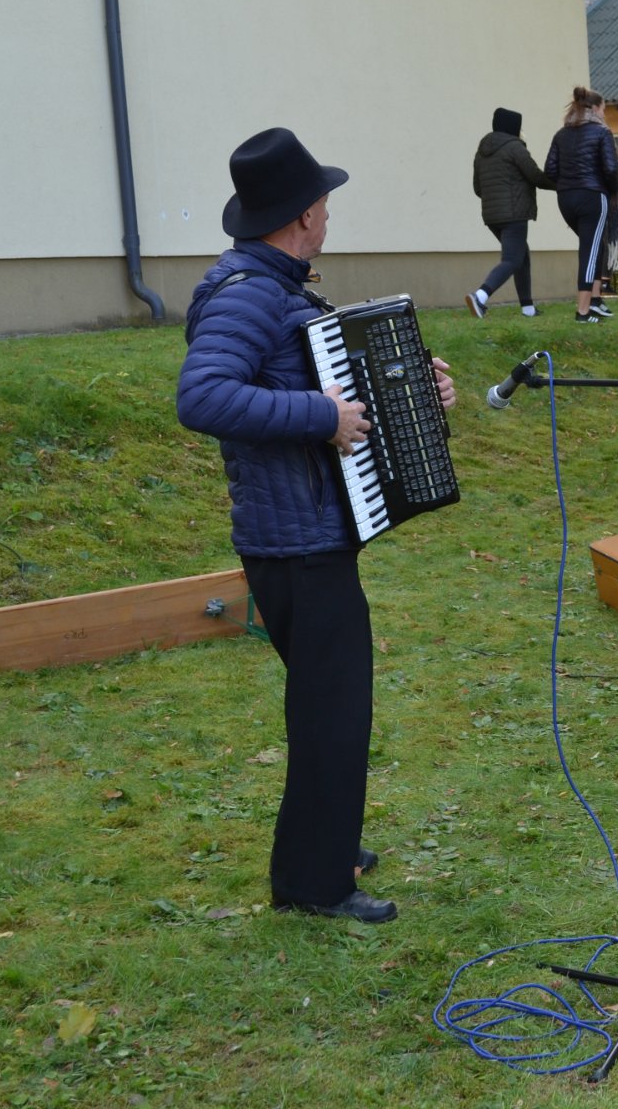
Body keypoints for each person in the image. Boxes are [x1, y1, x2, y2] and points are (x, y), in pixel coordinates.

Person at [177, 128, 457, 924]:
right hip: (294, 544)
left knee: (326, 705)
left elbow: (328, 383)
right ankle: (313, 883)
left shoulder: (279, 289)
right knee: (333, 712)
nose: (328, 217)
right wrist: (320, 416)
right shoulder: (248, 296)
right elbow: (202, 396)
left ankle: (326, 842)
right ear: (303, 216)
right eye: (324, 206)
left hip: (304, 535)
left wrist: (421, 393)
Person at [466, 107, 553, 319]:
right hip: (514, 213)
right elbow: (535, 176)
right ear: (513, 127)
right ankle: (480, 296)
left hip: (492, 216)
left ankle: (528, 308)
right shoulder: (515, 147)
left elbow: (478, 188)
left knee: (522, 256)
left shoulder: (482, 152)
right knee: (512, 259)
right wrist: (562, 184)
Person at [544, 85, 618, 323]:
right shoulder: (602, 132)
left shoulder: (561, 134)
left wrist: (569, 183)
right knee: (589, 249)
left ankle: (595, 300)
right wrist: (611, 191)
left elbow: (550, 170)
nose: (604, 114)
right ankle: (583, 311)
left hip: (566, 199)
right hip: (593, 196)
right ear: (595, 108)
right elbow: (611, 168)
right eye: (603, 109)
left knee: (595, 245)